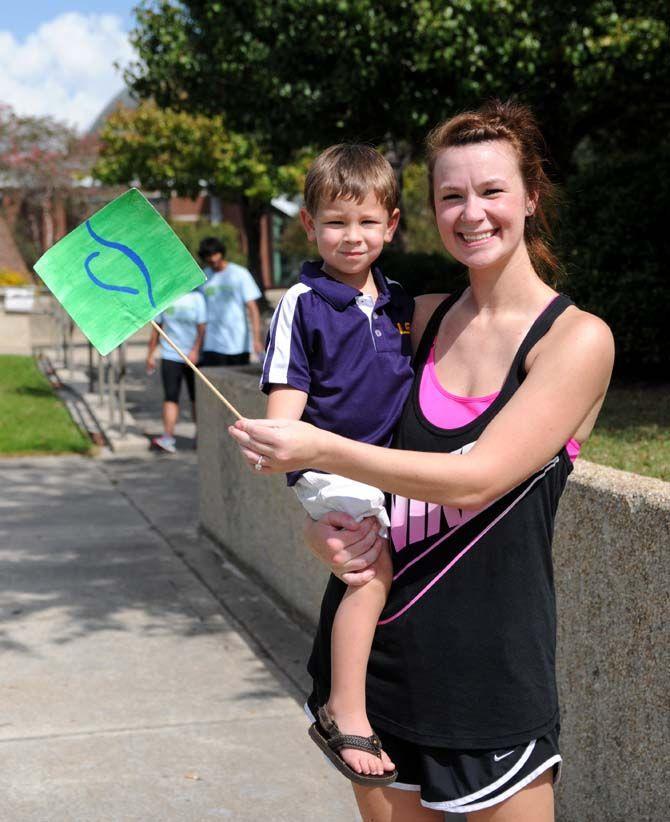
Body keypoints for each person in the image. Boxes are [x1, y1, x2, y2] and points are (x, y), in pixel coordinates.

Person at [229, 99, 615, 821]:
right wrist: (318, 524)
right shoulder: (415, 318)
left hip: (493, 683)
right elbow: (325, 411)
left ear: (531, 196)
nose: (472, 212)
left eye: (492, 190)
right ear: (430, 211)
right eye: (451, 196)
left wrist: (321, 450)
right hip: (379, 675)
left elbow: (481, 477)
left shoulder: (577, 340)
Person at [260, 144, 414, 783]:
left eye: (367, 222)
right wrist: (282, 446)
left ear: (393, 224)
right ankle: (343, 707)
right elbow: (284, 414)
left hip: (388, 464)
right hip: (327, 466)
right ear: (308, 223)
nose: (352, 237)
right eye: (336, 222)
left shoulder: (400, 302)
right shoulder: (303, 301)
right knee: (369, 571)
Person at [146, 289, 207, 454]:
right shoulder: (165, 296)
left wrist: (195, 350)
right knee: (170, 396)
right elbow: (156, 329)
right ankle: (168, 437)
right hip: (170, 354)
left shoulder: (197, 298)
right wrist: (150, 354)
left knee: (195, 398)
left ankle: (200, 437)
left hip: (192, 356)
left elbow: (202, 328)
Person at [197, 237, 263, 366]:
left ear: (221, 253)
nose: (213, 259)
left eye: (215, 254)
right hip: (212, 343)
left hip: (238, 344)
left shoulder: (240, 273)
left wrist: (256, 339)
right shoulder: (203, 278)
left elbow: (253, 308)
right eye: (208, 256)